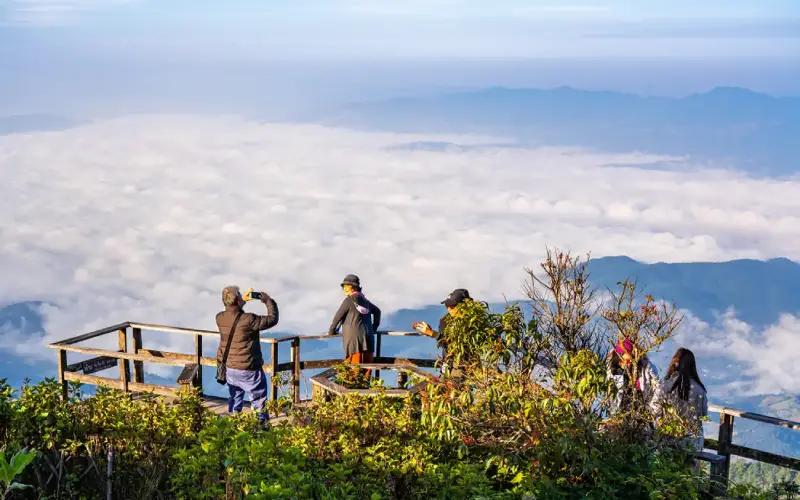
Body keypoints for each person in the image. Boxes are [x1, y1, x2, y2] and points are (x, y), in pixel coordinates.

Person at [216, 285, 279, 425]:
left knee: (235, 397)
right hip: (249, 369)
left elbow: (233, 313)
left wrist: (241, 300)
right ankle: (262, 429)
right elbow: (272, 319)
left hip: (230, 368)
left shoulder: (219, 318)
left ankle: (233, 425)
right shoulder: (249, 319)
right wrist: (268, 301)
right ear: (237, 301)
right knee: (258, 401)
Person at [650, 348, 708, 458]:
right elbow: (703, 414)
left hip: (666, 440)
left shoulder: (664, 386)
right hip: (693, 444)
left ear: (674, 363)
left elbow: (654, 410)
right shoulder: (699, 389)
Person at [328, 274, 381, 375]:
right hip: (368, 340)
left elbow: (337, 317)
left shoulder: (349, 300)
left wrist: (331, 331)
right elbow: (377, 311)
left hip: (354, 341)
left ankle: (353, 389)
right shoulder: (365, 301)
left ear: (353, 287)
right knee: (366, 370)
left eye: (346, 286)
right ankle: (366, 390)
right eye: (344, 287)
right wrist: (373, 328)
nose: (344, 289)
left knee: (353, 371)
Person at [413, 288, 471, 374]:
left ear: (464, 305)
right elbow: (445, 343)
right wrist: (430, 332)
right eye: (447, 306)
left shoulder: (472, 322)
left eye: (452, 306)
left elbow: (457, 345)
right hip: (448, 364)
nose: (449, 309)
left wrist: (432, 333)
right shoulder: (445, 321)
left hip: (464, 366)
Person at [606, 337, 659, 413]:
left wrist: (652, 411)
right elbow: (610, 397)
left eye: (630, 360)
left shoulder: (647, 368)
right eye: (623, 361)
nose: (628, 363)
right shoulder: (612, 371)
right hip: (621, 411)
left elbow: (656, 388)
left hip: (643, 409)